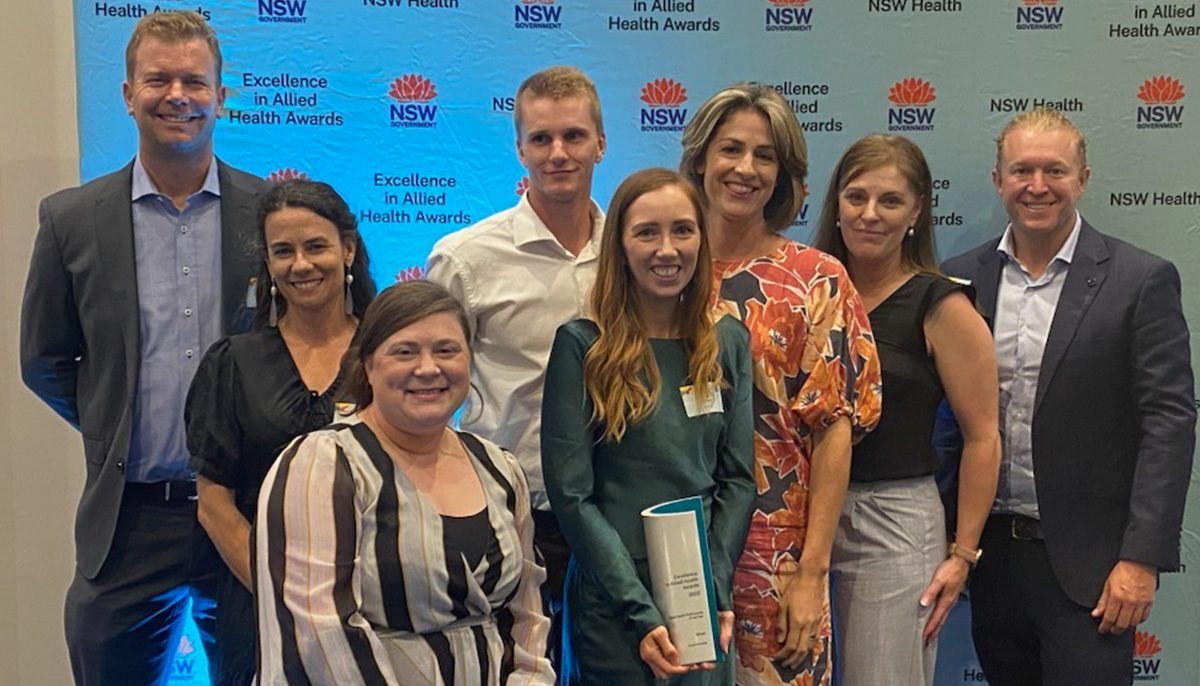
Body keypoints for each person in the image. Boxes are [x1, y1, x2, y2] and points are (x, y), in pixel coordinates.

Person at [19, 11, 269, 684]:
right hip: (128, 519)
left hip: (247, 511)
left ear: (222, 94)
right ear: (128, 93)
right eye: (158, 79)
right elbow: (44, 360)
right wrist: (115, 426)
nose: (177, 95)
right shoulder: (70, 219)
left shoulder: (272, 211)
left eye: (195, 79)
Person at [942, 107, 1195, 685]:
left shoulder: (1140, 279)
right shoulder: (958, 279)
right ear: (997, 180)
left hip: (1094, 569)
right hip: (989, 560)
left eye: (1054, 171)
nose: (1037, 186)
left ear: (1082, 178)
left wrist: (1141, 558)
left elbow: (1169, 424)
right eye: (1021, 170)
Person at [679, 83, 882, 686]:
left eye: (764, 155)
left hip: (778, 553)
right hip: (671, 543)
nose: (745, 169)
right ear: (699, 160)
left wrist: (812, 572)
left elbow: (834, 430)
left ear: (784, 173)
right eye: (731, 150)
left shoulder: (814, 279)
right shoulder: (659, 268)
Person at [254, 280, 554, 684]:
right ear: (368, 366)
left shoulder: (500, 467)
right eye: (405, 351)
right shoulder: (321, 464)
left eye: (447, 350)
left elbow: (529, 614)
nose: (428, 368)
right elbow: (318, 635)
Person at [540, 167, 755, 684]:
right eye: (646, 232)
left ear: (702, 240)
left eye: (683, 230)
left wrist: (716, 587)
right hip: (613, 600)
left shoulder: (726, 340)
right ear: (619, 244)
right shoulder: (582, 346)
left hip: (698, 597)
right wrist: (638, 611)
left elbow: (739, 478)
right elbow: (572, 495)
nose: (667, 249)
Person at [425, 65, 606, 667]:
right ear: (519, 147)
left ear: (601, 144)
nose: (558, 153)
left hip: (618, 509)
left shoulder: (636, 250)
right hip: (513, 513)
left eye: (574, 136)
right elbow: (429, 386)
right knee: (507, 671)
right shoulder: (467, 259)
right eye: (541, 138)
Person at [811, 134, 1000, 686]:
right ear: (836, 204)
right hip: (800, 517)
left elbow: (983, 436)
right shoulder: (806, 291)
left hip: (893, 525)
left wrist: (963, 554)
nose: (870, 214)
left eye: (890, 201)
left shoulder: (942, 304)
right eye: (856, 197)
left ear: (917, 211)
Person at [184, 179, 377, 685]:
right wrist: (280, 593)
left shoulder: (388, 357)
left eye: (316, 246)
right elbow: (213, 502)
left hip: (373, 605)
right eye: (282, 252)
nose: (301, 265)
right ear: (267, 264)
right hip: (255, 608)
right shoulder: (232, 364)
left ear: (348, 248)